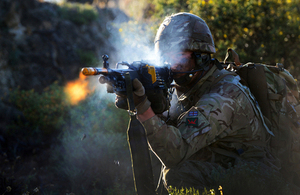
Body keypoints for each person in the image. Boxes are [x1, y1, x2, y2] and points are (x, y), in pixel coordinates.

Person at [112, 12, 282, 193]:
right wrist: (145, 97)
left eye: (178, 53)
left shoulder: (224, 95)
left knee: (176, 174)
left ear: (201, 56)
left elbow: (174, 152)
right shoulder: (191, 84)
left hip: (251, 174)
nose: (170, 62)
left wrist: (144, 108)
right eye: (165, 54)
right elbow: (169, 131)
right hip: (221, 156)